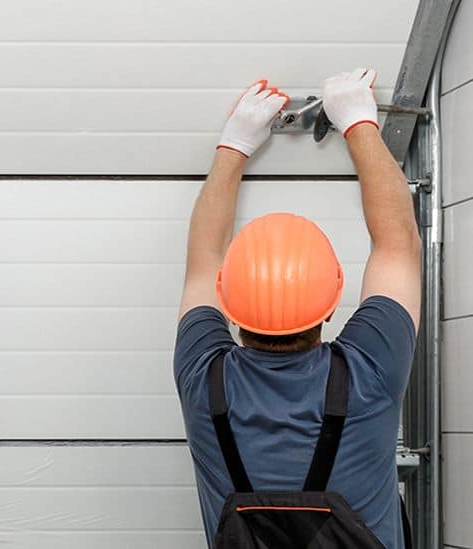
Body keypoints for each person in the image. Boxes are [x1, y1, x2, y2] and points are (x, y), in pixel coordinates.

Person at [174, 70, 420, 548]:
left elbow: (203, 260)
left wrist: (234, 144)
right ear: (333, 299)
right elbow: (398, 243)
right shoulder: (370, 372)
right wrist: (358, 123)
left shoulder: (204, 381)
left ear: (228, 300)